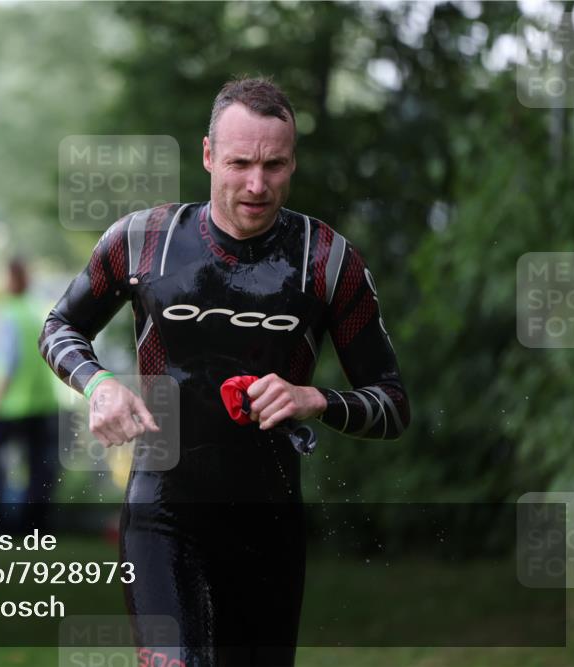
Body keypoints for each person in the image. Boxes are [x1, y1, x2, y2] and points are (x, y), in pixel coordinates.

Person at [39, 78, 410, 666]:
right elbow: (59, 327)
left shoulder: (326, 261)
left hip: (268, 525)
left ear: (293, 161)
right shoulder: (143, 241)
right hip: (162, 514)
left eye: (274, 165)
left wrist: (316, 400)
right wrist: (100, 385)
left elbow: (392, 405)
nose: (257, 185)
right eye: (240, 163)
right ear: (209, 155)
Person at [0, 258, 60, 535]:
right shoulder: (37, 311)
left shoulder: (10, 313)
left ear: (10, 279)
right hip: (43, 403)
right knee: (39, 469)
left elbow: (6, 362)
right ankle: (34, 527)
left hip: (12, 404)